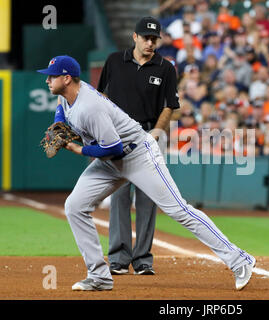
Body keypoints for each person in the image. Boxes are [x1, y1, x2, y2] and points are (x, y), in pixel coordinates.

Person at [36, 55, 256, 291]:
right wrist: (58, 123)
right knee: (75, 206)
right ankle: (99, 276)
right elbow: (62, 109)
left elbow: (113, 148)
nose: (48, 80)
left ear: (67, 78)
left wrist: (79, 149)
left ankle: (239, 259)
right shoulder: (68, 93)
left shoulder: (90, 107)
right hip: (111, 163)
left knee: (178, 210)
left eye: (52, 76)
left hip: (138, 155)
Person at [96, 17, 180, 276]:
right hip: (118, 138)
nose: (150, 42)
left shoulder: (165, 68)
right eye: (146, 37)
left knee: (148, 199)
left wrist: (155, 132)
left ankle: (143, 259)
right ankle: (119, 258)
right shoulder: (113, 61)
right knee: (119, 197)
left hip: (148, 135)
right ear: (134, 37)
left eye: (154, 38)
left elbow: (170, 106)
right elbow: (102, 97)